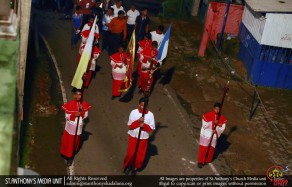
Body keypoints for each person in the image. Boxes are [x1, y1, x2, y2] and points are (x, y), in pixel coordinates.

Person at [123, 98, 155, 175]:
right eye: (141, 105)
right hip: (133, 136)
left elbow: (151, 128)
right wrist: (138, 121)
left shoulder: (150, 115)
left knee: (140, 155)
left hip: (143, 138)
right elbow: (130, 126)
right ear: (139, 104)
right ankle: (127, 165)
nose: (143, 107)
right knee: (130, 153)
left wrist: (144, 125)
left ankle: (135, 167)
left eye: (145, 105)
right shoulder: (133, 112)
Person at [60, 88, 91, 166]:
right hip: (70, 127)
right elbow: (67, 117)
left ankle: (70, 156)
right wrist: (74, 115)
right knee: (68, 143)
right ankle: (68, 156)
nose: (78, 96)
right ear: (74, 95)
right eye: (76, 94)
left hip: (78, 127)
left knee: (75, 143)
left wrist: (82, 112)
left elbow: (85, 116)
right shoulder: (69, 104)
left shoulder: (83, 104)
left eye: (79, 94)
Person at [197, 102, 227, 168]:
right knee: (204, 148)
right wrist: (213, 123)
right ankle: (201, 161)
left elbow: (222, 127)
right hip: (207, 134)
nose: (217, 110)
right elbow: (204, 125)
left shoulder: (222, 118)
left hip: (214, 134)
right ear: (213, 108)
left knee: (211, 148)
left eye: (219, 109)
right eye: (216, 109)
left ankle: (208, 159)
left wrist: (216, 131)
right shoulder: (207, 115)